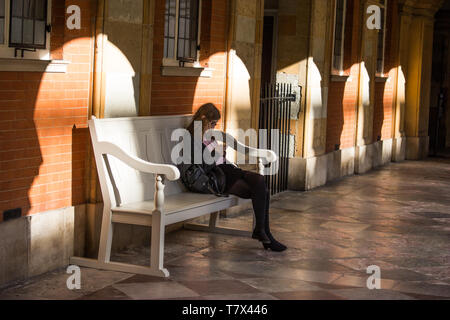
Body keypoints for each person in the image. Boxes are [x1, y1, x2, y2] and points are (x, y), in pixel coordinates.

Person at [184, 103, 287, 252]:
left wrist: (220, 153)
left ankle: (263, 231)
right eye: (212, 123)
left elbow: (216, 159)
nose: (213, 127)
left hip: (226, 170)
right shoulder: (191, 137)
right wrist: (214, 155)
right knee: (260, 186)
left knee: (260, 185)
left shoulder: (208, 135)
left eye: (215, 124)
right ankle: (265, 234)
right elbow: (197, 167)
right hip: (215, 178)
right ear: (203, 118)